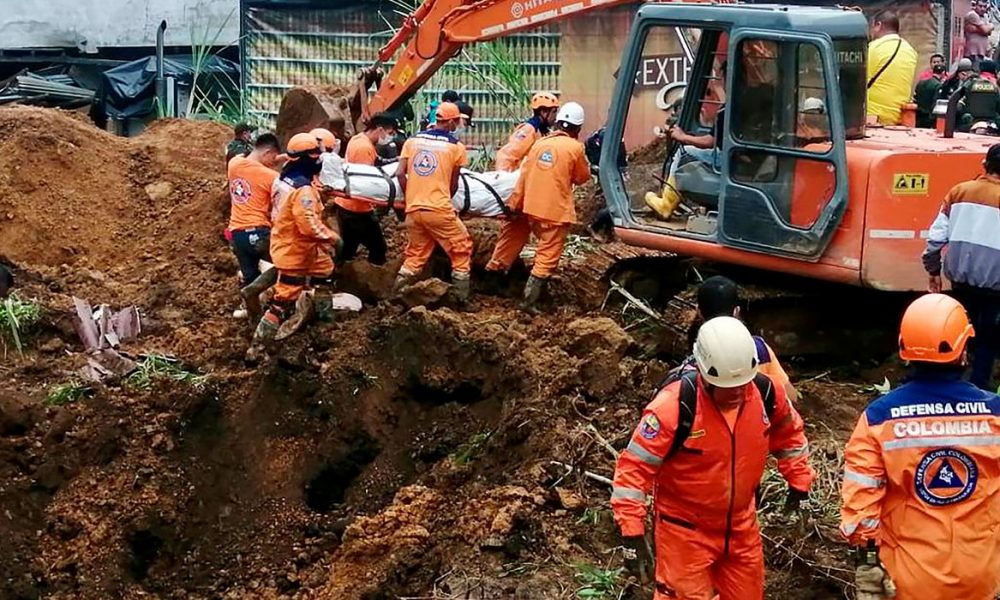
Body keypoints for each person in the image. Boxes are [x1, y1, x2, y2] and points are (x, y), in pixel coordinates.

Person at [611, 316, 814, 600]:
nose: (736, 393)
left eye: (741, 385)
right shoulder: (674, 407)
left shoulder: (767, 393)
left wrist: (799, 481)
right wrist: (631, 531)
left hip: (741, 526)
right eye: (727, 387)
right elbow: (634, 469)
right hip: (684, 531)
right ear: (704, 373)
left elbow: (790, 435)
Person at [840, 293, 1000, 600]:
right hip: (980, 574)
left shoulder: (879, 418)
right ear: (963, 350)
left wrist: (868, 562)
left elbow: (861, 503)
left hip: (910, 579)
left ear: (904, 349)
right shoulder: (995, 413)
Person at [485, 102, 591, 312]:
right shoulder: (575, 148)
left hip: (529, 207)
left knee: (513, 236)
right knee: (547, 253)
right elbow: (582, 177)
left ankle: (491, 278)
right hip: (554, 212)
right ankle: (530, 300)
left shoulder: (539, 144)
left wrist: (514, 204)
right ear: (577, 129)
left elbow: (523, 176)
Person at [247, 134, 341, 361]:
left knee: (325, 273)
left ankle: (326, 328)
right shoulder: (303, 190)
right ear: (308, 159)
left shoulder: (286, 178)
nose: (319, 159)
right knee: (283, 300)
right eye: (316, 155)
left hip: (297, 245)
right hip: (295, 250)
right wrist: (332, 238)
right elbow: (308, 225)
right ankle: (257, 348)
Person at [923, 143, 1000, 390]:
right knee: (988, 341)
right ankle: (979, 392)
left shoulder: (958, 192)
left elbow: (935, 239)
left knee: (961, 335)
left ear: (984, 165)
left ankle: (951, 386)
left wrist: (933, 270)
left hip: (960, 283)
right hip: (995, 288)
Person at [395, 102, 473, 303]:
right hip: (438, 209)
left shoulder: (412, 141)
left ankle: (395, 294)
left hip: (413, 210)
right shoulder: (456, 147)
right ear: (451, 122)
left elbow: (399, 174)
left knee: (416, 254)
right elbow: (453, 185)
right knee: (461, 247)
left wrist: (410, 197)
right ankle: (460, 300)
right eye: (456, 122)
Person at [689, 276, 798, 403]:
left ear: (699, 312)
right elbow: (791, 397)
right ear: (736, 311)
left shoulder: (697, 357)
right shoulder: (760, 350)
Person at [337, 113, 398, 266]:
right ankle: (373, 281)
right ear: (380, 129)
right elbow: (366, 181)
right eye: (389, 133)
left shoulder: (359, 140)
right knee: (378, 248)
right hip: (358, 208)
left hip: (348, 205)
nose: (390, 138)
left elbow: (377, 162)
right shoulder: (363, 148)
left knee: (348, 249)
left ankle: (338, 277)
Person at [228, 132, 281, 291]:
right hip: (259, 233)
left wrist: (278, 156)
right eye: (273, 158)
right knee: (287, 266)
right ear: (268, 153)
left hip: (237, 235)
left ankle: (252, 309)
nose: (273, 163)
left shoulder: (234, 164)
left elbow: (247, 156)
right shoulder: (272, 176)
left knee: (250, 276)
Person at [867, 11, 918, 126]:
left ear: (878, 25)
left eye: (872, 27)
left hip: (872, 118)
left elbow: (857, 82)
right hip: (900, 119)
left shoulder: (873, 48)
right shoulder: (910, 51)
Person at [494, 92, 560, 171]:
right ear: (544, 112)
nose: (556, 116)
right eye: (554, 111)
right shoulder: (529, 130)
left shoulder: (544, 132)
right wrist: (503, 177)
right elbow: (507, 154)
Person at [914, 58, 948, 128]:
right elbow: (935, 102)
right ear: (943, 73)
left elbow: (915, 98)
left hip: (918, 115)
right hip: (929, 117)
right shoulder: (938, 85)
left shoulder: (921, 83)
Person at [965, 0, 994, 70]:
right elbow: (986, 30)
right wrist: (991, 26)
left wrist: (987, 28)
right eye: (980, 6)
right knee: (975, 73)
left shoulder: (985, 16)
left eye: (984, 6)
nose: (982, 9)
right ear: (975, 6)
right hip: (973, 52)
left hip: (981, 52)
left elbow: (988, 32)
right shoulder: (972, 15)